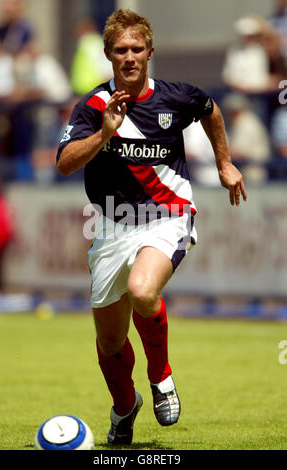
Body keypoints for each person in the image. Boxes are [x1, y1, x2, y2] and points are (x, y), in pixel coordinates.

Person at [56, 9, 247, 446]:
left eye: (136, 49)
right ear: (108, 54)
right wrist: (104, 134)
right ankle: (124, 409)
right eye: (120, 50)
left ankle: (161, 377)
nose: (129, 57)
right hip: (109, 226)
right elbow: (65, 163)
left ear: (150, 52)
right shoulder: (92, 105)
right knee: (109, 341)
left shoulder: (177, 96)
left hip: (168, 214)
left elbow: (210, 110)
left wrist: (224, 162)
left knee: (144, 290)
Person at [70, 19, 112, 96]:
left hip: (90, 92)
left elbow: (106, 69)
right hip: (87, 92)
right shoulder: (87, 43)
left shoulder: (91, 43)